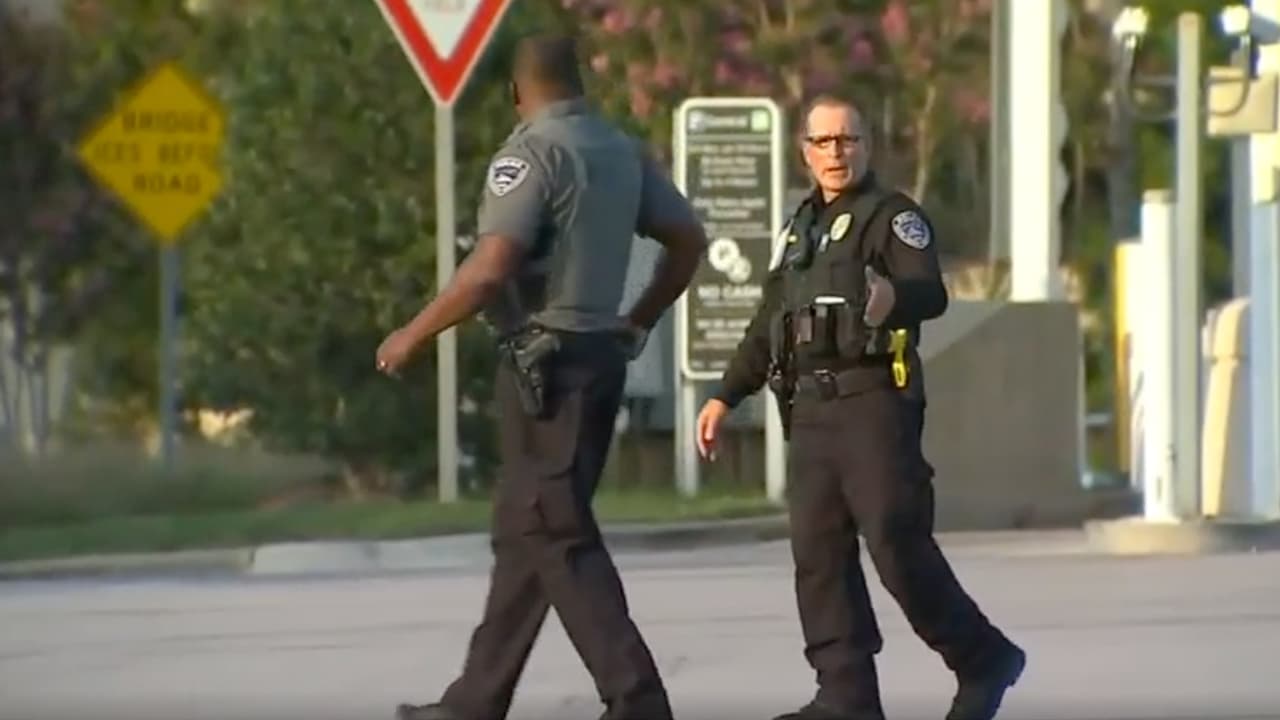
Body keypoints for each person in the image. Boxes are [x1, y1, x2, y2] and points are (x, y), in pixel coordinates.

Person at [375, 33, 707, 720]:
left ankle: (638, 699)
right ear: (578, 81)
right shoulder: (622, 150)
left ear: (517, 92)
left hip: (545, 368)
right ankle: (475, 700)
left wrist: (414, 332)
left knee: (552, 529)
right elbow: (687, 240)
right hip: (599, 361)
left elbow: (492, 268)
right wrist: (637, 318)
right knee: (525, 529)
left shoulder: (531, 153)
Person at [694, 95, 1026, 720]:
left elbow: (931, 293)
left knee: (897, 545)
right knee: (817, 557)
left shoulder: (891, 216)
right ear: (804, 151)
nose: (835, 153)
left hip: (873, 403)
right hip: (811, 412)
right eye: (822, 142)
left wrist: (891, 297)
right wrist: (722, 394)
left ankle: (982, 659)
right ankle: (845, 695)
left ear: (867, 146)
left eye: (847, 140)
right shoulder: (799, 231)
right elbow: (770, 322)